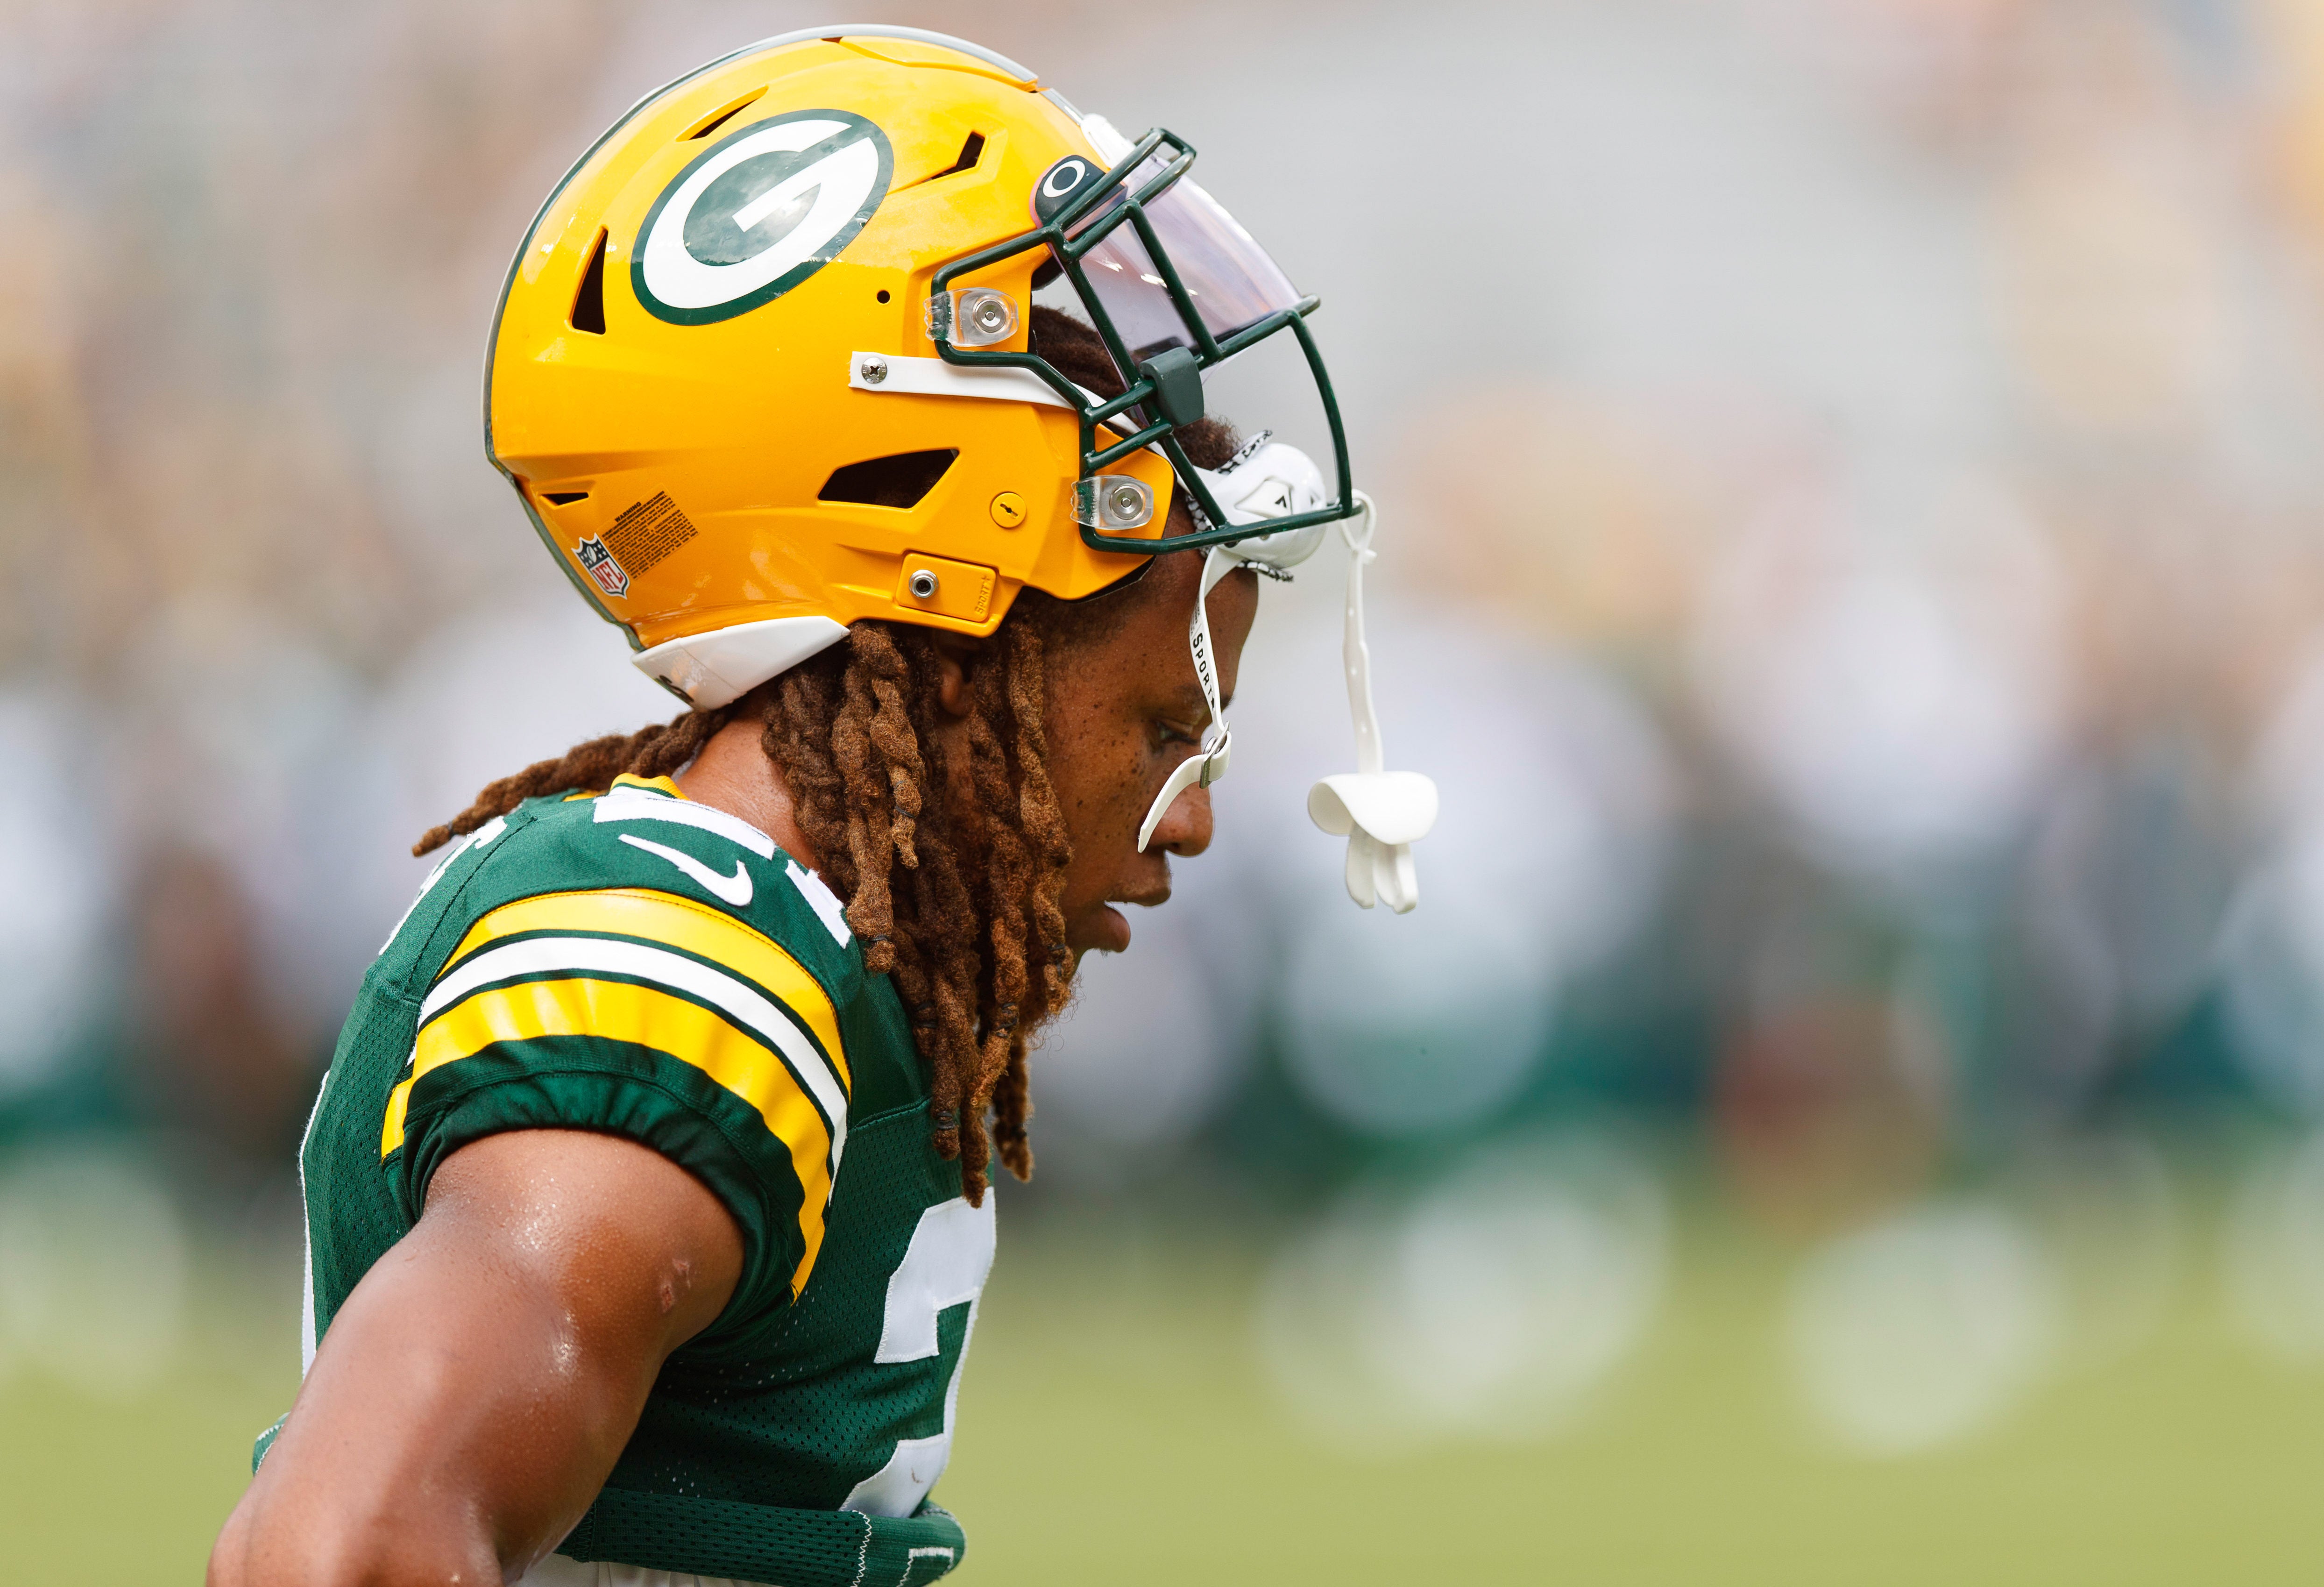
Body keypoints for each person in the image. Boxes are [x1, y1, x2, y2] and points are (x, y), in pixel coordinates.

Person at [208, 25, 1427, 1587]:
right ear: (945, 601)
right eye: (1162, 727)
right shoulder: (678, 975)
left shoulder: (789, 948)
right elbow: (338, 1552)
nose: (1189, 820)